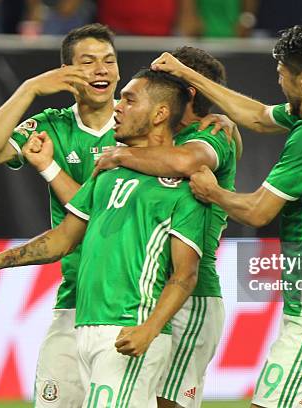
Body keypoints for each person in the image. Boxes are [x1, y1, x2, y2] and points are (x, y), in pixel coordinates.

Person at [152, 23, 302, 407]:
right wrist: (188, 74)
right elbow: (256, 117)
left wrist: (213, 192)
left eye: (282, 73)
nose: (278, 79)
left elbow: (258, 211)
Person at [0, 68, 207, 407]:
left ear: (160, 114)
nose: (118, 107)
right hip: (85, 325)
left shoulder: (184, 187)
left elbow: (185, 274)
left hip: (129, 328)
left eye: (129, 99)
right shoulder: (108, 174)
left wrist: (150, 329)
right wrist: (0, 261)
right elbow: (64, 238)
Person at [0, 23, 119, 408]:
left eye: (109, 61)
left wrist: (50, 168)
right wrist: (30, 88)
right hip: (74, 298)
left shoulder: (138, 127)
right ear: (67, 73)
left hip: (131, 303)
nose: (101, 70)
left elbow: (98, 214)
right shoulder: (54, 124)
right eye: (88, 62)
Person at [93, 46, 237, 408]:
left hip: (193, 293)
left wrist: (121, 155)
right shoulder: (154, 141)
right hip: (150, 295)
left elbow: (186, 161)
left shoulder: (212, 135)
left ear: (186, 92)